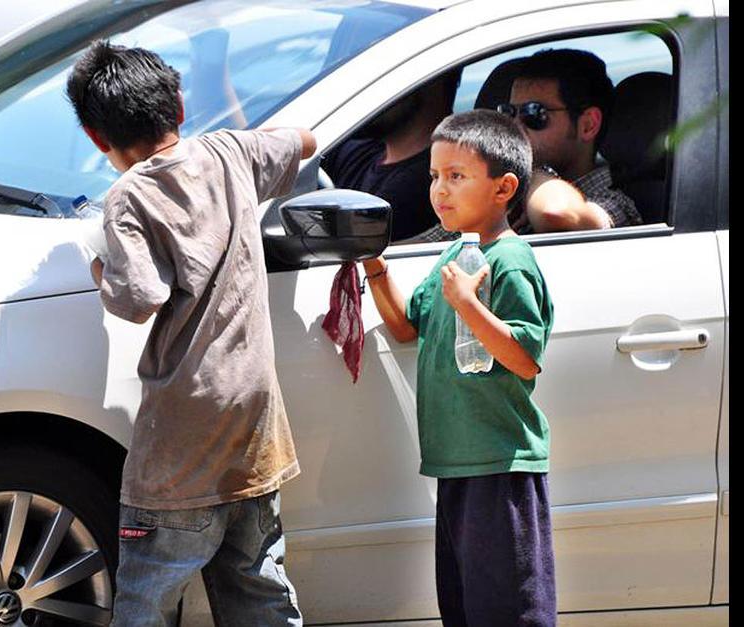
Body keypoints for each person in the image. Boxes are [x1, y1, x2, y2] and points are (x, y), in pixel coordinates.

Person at [67, 41, 316, 626]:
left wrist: (99, 269)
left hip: (181, 444)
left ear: (96, 139)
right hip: (254, 429)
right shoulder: (231, 152)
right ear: (179, 108)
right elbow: (304, 141)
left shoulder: (128, 196)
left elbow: (139, 300)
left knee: (148, 597)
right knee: (258, 586)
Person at [362, 109, 556, 625]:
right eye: (434, 176)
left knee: (509, 607)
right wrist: (374, 266)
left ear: (504, 187)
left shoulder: (511, 261)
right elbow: (409, 325)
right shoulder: (455, 254)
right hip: (457, 464)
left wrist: (471, 304)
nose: (439, 191)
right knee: (465, 606)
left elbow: (524, 357)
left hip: (500, 462)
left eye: (456, 176)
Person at [422, 48, 641, 243]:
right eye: (508, 113)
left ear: (588, 125)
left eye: (534, 113)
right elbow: (420, 246)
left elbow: (555, 212)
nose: (515, 125)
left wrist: (533, 172)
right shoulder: (503, 195)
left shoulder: (614, 200)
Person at [322, 70, 461, 242]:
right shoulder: (358, 151)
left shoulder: (418, 189)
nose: (364, 93)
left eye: (379, 82)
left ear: (431, 82)